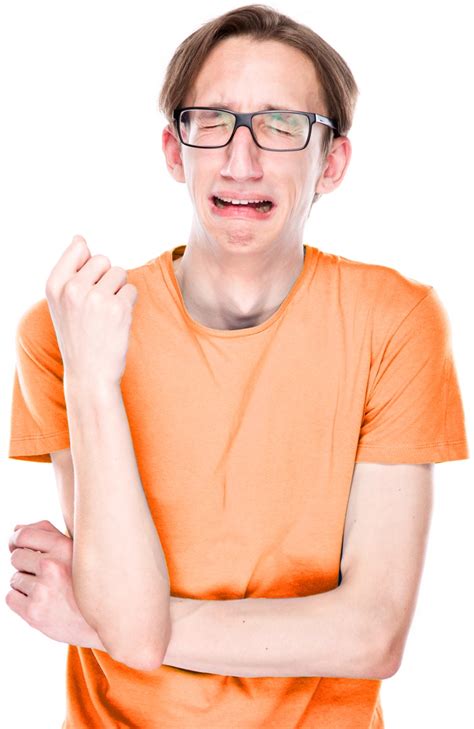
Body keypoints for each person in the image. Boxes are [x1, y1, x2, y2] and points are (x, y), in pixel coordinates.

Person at [7, 4, 469, 728]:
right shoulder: (73, 325)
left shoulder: (395, 319)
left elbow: (372, 634)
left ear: (332, 162)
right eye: (213, 121)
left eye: (281, 125)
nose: (241, 160)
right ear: (174, 150)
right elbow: (122, 602)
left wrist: (106, 620)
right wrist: (92, 378)